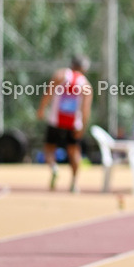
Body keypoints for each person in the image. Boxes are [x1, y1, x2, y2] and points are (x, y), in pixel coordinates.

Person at [37, 55, 93, 192]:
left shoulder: (60, 75)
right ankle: (74, 183)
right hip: (74, 123)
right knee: (74, 151)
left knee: (49, 149)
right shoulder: (86, 85)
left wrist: (41, 109)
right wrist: (83, 126)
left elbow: (48, 94)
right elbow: (86, 110)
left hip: (55, 120)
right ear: (84, 68)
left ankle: (54, 167)